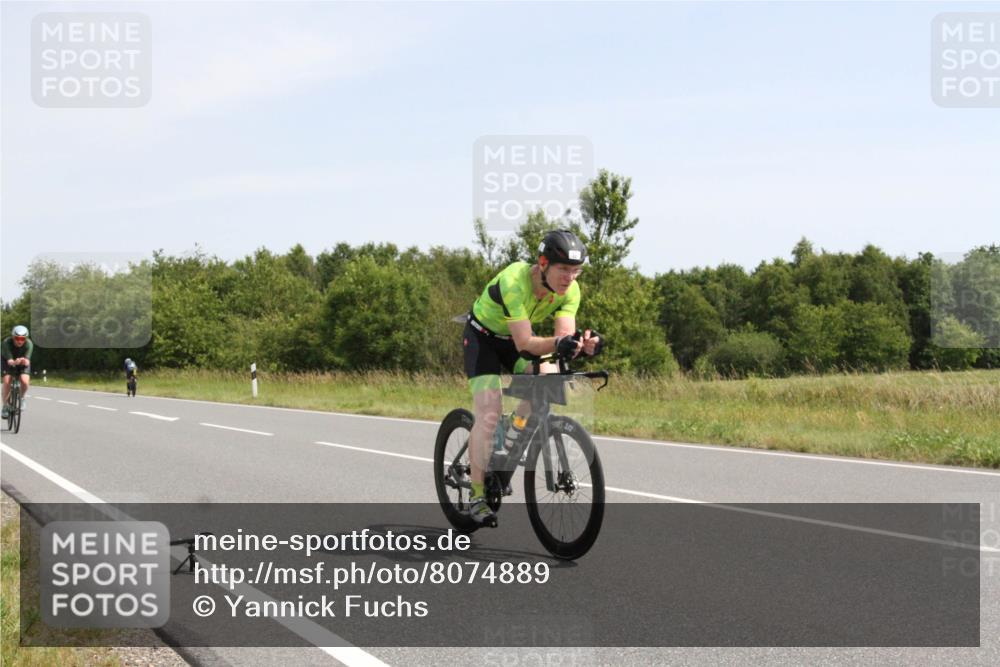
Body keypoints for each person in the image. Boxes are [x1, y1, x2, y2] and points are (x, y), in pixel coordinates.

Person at [463, 230, 603, 525]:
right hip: (484, 339)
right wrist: (559, 344)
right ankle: (476, 497)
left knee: (549, 378)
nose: (570, 278)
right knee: (488, 414)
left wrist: (583, 345)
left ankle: (512, 434)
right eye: (563, 269)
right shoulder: (515, 281)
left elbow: (561, 341)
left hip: (516, 341)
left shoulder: (571, 291)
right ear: (542, 263)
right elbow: (525, 343)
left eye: (575, 271)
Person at [2, 325, 33, 418]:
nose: (20, 341)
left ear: (26, 339)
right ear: (13, 337)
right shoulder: (6, 343)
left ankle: (22, 397)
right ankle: (5, 406)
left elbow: (27, 361)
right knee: (7, 381)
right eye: (17, 338)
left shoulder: (29, 344)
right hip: (7, 361)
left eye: (22, 339)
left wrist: (24, 361)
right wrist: (14, 362)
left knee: (24, 381)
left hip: (22, 362)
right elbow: (10, 361)